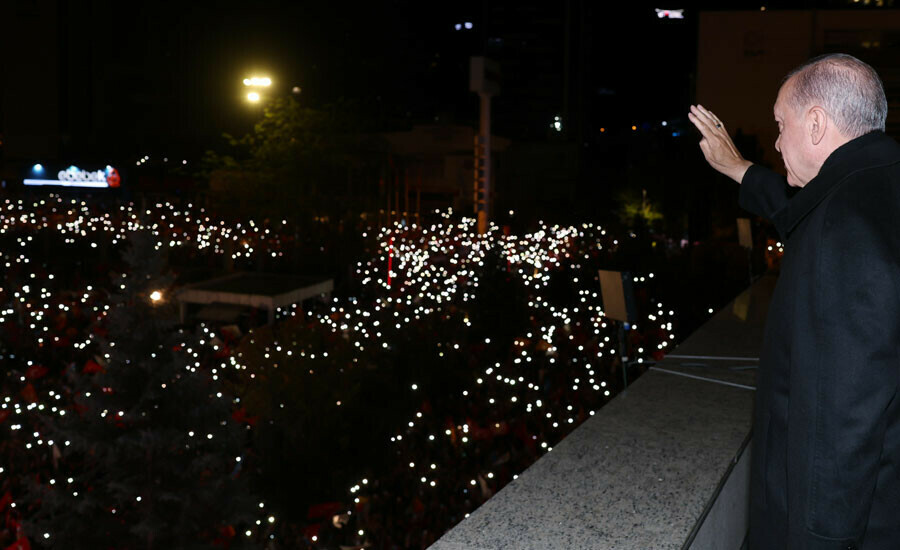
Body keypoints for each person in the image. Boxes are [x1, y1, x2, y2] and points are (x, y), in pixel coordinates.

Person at [688, 53, 900, 550]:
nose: (777, 141)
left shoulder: (845, 232)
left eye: (781, 125)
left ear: (816, 122)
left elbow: (838, 427)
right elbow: (803, 209)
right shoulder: (878, 185)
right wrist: (738, 168)